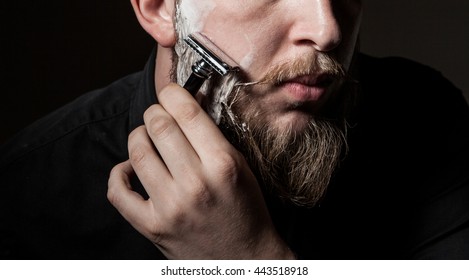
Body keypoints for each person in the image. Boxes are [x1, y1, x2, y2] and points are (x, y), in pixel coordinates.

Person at [1, 0, 468, 260]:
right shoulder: (27, 195)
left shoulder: (427, 121)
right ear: (161, 7)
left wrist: (246, 262)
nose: (327, 31)